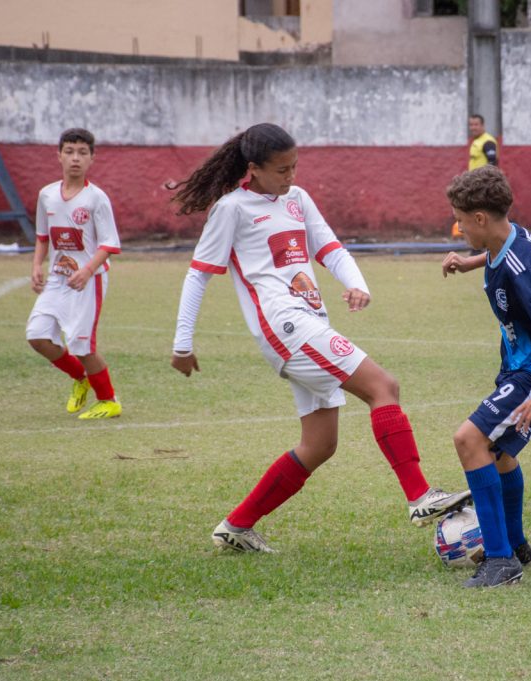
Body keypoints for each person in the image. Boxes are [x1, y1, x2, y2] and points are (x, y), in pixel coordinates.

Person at [169, 123, 470, 553]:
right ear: (252, 169)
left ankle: (235, 527)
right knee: (384, 386)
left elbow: (329, 247)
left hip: (311, 323)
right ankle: (420, 497)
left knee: (320, 444)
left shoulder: (297, 200)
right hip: (286, 328)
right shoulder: (232, 209)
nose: (290, 176)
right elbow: (198, 276)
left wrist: (356, 283)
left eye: (294, 166)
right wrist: (182, 344)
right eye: (281, 170)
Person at [441, 165, 531, 587]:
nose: (458, 227)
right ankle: (515, 543)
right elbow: (500, 251)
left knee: (469, 439)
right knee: (499, 453)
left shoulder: (523, 271)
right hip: (525, 364)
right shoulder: (509, 237)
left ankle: (501, 561)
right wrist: (470, 262)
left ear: (480, 219)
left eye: (462, 221)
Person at [26, 128, 122, 420]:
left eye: (82, 153)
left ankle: (109, 401)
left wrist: (87, 270)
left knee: (81, 344)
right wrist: (36, 265)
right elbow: (43, 236)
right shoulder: (47, 195)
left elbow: (109, 244)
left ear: (92, 158)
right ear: (59, 156)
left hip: (87, 281)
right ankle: (81, 378)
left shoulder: (96, 199)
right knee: (37, 336)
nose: (75, 159)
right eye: (69, 152)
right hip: (57, 280)